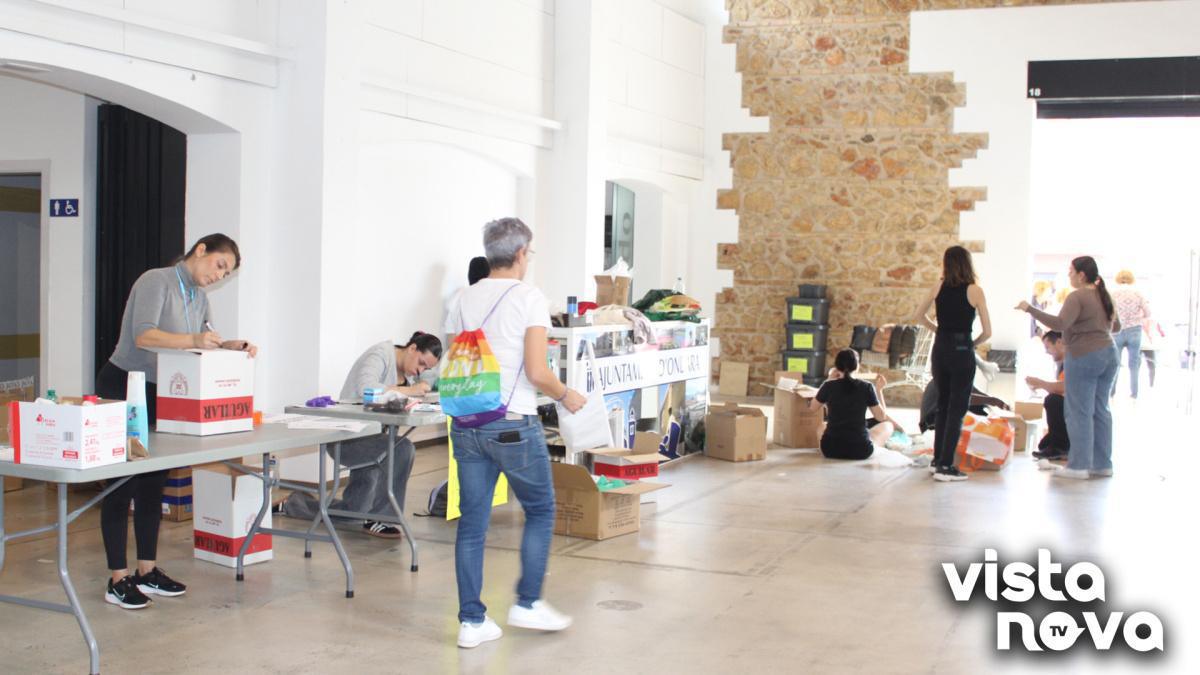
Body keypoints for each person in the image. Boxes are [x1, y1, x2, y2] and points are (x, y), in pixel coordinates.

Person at [95, 233, 257, 610]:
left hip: (163, 391)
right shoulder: (157, 280)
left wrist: (231, 346)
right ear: (200, 250)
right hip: (124, 384)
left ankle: (146, 571)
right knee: (122, 482)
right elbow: (145, 335)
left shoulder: (199, 297)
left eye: (227, 273)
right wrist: (193, 339)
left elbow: (203, 342)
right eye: (220, 265)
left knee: (155, 481)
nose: (220, 275)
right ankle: (117, 579)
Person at [445, 218, 586, 649]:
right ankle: (527, 602)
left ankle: (472, 622)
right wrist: (566, 395)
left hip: (467, 424)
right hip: (513, 425)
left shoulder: (462, 298)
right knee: (541, 510)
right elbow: (538, 371)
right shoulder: (528, 298)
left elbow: (455, 360)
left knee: (472, 524)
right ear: (522, 253)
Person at [280, 332, 442, 537]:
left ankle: (293, 504)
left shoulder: (409, 374)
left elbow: (420, 384)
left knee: (353, 512)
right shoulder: (380, 354)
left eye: (426, 368)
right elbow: (367, 388)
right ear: (411, 348)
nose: (420, 371)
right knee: (402, 449)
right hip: (347, 436)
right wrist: (411, 391)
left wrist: (423, 386)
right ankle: (381, 519)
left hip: (373, 438)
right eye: (421, 363)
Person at [1018, 256, 1119, 480]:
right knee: (1100, 409)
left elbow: (1059, 324)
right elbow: (1117, 326)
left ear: (1081, 275)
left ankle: (1079, 466)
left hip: (1084, 355)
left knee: (1079, 411)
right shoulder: (1104, 296)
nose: (1069, 276)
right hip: (1109, 354)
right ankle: (1102, 465)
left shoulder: (1078, 296)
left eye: (1071, 272)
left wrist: (1030, 309)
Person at [914, 246, 992, 483]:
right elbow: (988, 332)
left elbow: (918, 316)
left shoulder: (938, 287)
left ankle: (938, 460)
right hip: (961, 351)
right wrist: (972, 342)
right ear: (968, 264)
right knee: (957, 409)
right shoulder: (975, 291)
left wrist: (939, 330)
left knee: (943, 405)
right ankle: (946, 466)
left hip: (940, 349)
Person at [811, 350, 903, 460]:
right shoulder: (866, 387)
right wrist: (879, 390)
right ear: (857, 366)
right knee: (888, 425)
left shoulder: (828, 386)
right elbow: (881, 417)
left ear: (837, 367)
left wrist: (829, 379)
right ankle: (869, 442)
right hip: (861, 451)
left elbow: (812, 407)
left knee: (822, 425)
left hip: (830, 450)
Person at [1109, 269, 1151, 399]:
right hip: (1135, 330)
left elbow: (1107, 312)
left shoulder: (1113, 293)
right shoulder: (1138, 293)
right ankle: (1134, 393)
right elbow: (1148, 312)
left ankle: (1112, 392)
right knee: (1134, 364)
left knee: (1115, 362)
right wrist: (1137, 317)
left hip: (1117, 330)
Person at [1027, 331, 1069, 461]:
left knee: (1052, 400)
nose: (1047, 352)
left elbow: (1064, 387)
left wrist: (1040, 383)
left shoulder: (1073, 361)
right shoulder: (1064, 364)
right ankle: (1059, 445)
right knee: (1043, 445)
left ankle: (1061, 448)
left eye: (1047, 347)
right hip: (1072, 409)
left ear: (1059, 342)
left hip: (1078, 410)